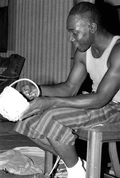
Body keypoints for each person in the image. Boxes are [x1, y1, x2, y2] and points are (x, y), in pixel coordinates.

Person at [14, 2, 120, 178]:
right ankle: (78, 166)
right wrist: (39, 90)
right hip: (95, 102)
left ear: (92, 27)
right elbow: (70, 87)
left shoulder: (117, 50)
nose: (70, 38)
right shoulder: (83, 51)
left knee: (50, 116)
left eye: (74, 32)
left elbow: (102, 98)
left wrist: (50, 102)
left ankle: (76, 172)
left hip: (115, 107)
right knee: (26, 117)